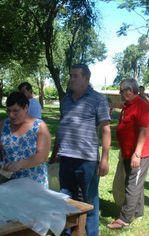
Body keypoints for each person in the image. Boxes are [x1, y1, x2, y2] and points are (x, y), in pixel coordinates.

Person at [49, 63, 111, 236]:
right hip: (65, 158)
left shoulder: (98, 99)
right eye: (70, 76)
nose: (71, 79)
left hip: (87, 161)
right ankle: (67, 232)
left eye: (75, 76)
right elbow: (62, 127)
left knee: (90, 202)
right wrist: (54, 155)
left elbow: (106, 130)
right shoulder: (66, 100)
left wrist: (104, 160)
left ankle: (91, 233)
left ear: (86, 78)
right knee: (66, 200)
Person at [107, 78, 149, 229]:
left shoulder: (142, 106)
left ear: (130, 91)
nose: (120, 93)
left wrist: (137, 153)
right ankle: (138, 211)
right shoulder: (127, 106)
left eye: (121, 90)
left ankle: (125, 219)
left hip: (139, 154)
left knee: (132, 185)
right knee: (132, 183)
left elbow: (143, 130)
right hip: (126, 153)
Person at [0, 92, 51, 187]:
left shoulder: (39, 126)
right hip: (6, 181)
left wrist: (20, 164)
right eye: (8, 110)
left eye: (15, 111)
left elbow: (42, 155)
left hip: (33, 183)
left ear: (26, 107)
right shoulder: (3, 125)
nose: (11, 115)